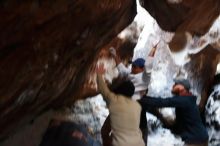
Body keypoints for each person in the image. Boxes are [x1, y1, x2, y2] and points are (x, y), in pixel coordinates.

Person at [138, 78, 209, 146]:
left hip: (196, 140)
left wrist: (139, 98)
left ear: (181, 87)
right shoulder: (188, 99)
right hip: (199, 138)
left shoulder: (184, 100)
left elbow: (162, 102)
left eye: (175, 84)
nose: (173, 86)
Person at [96, 63, 145, 146]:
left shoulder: (114, 100)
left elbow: (103, 89)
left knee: (106, 132)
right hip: (139, 143)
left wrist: (99, 74)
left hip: (120, 144)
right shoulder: (137, 106)